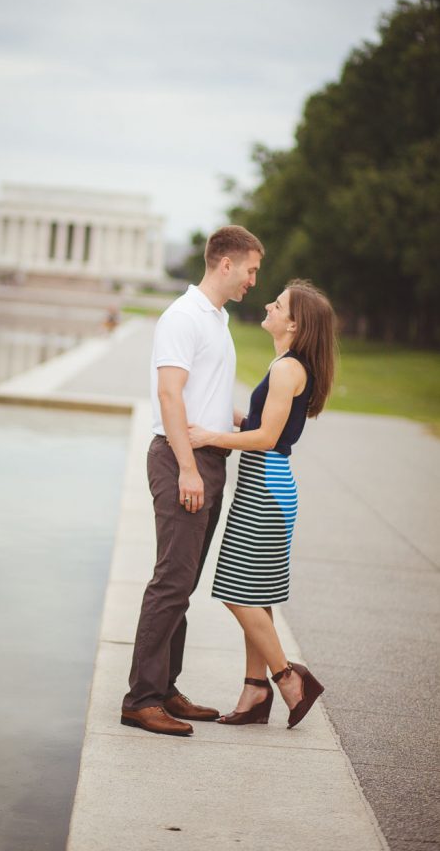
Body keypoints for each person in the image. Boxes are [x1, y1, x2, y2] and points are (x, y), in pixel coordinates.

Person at [120, 225, 264, 736]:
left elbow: (198, 391)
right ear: (225, 263)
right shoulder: (183, 316)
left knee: (184, 583)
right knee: (172, 581)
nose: (253, 281)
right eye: (250, 270)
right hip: (183, 460)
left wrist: (231, 419)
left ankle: (164, 688)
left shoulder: (216, 318)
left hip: (207, 457)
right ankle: (140, 699)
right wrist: (185, 467)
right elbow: (169, 396)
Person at [188, 279, 336, 728]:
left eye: (279, 304)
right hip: (268, 488)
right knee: (259, 594)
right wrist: (224, 415)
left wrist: (211, 437)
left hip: (265, 492)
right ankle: (254, 693)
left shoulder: (289, 369)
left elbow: (267, 439)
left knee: (236, 592)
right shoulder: (287, 364)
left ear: (294, 323)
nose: (269, 305)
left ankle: (289, 679)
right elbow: (265, 423)